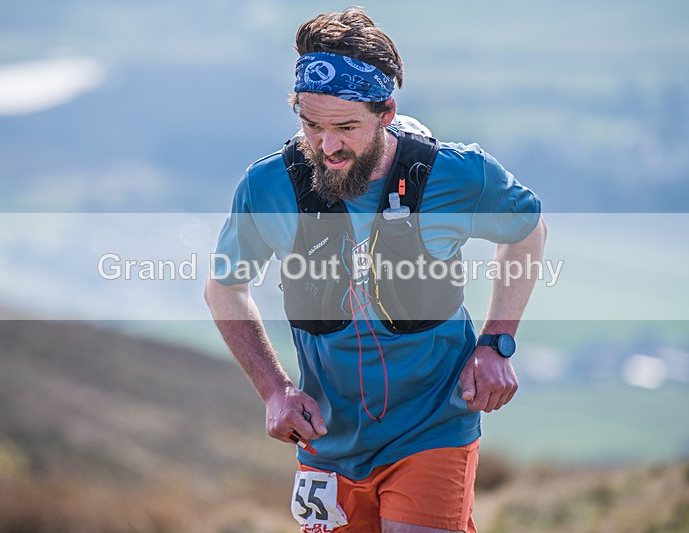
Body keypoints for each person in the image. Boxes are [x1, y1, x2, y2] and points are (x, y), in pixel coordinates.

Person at [205, 8, 546, 533]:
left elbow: (527, 230)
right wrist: (273, 389)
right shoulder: (268, 186)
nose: (327, 146)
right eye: (310, 125)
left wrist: (497, 340)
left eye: (346, 127)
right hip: (326, 443)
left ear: (386, 112)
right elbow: (224, 289)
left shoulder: (454, 175)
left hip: (434, 427)